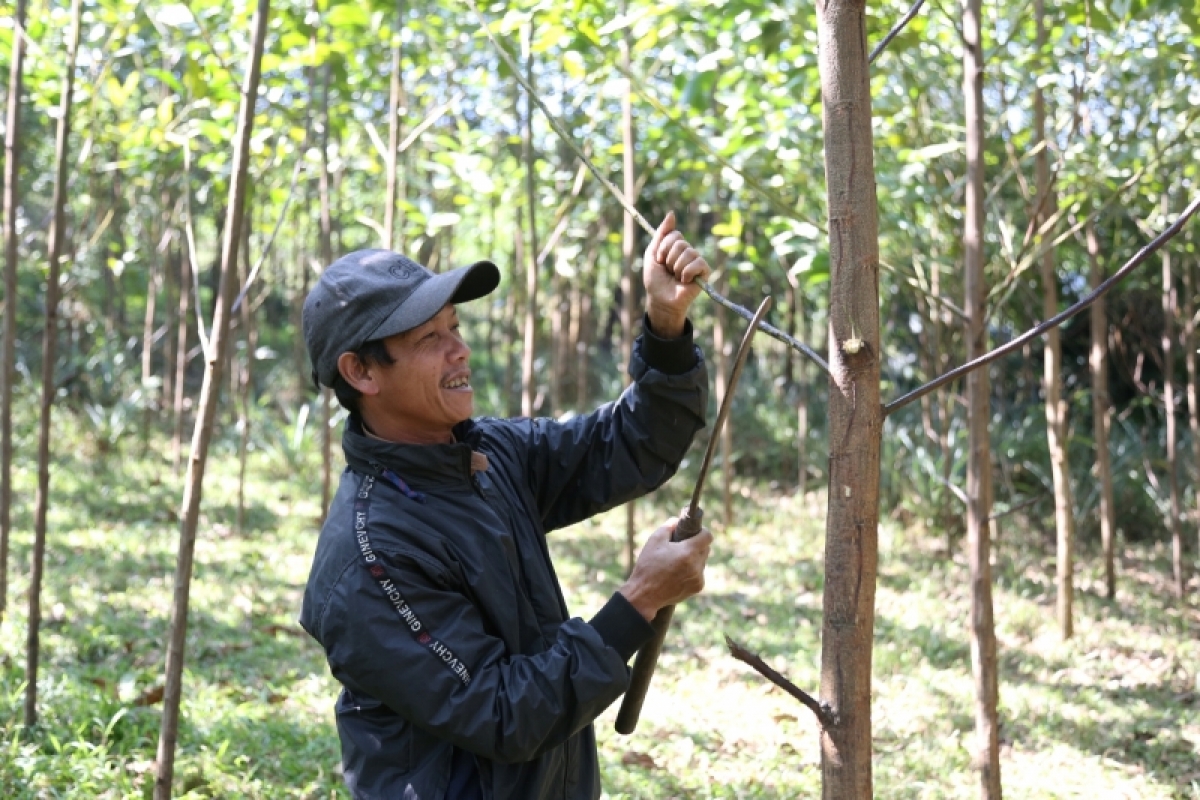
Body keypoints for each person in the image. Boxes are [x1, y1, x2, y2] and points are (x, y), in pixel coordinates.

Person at [299, 212, 714, 800]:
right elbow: (501, 713)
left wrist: (666, 327)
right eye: (429, 340)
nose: (460, 351)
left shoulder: (489, 455)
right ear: (360, 371)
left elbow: (627, 445)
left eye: (455, 327)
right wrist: (639, 601)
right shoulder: (369, 557)